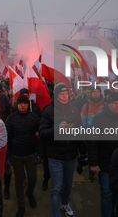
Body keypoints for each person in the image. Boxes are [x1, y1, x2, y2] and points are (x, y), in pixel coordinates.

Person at [39, 82, 87, 217]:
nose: (65, 96)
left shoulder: (74, 110)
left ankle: (65, 203)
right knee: (56, 188)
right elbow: (42, 133)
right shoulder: (48, 111)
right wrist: (57, 128)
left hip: (71, 155)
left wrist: (83, 153)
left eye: (66, 94)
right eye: (62, 94)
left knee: (68, 184)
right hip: (55, 157)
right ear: (56, 95)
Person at [88, 92, 118, 217]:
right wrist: (94, 163)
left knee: (117, 193)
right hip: (105, 163)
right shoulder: (99, 119)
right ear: (109, 104)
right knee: (107, 193)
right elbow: (93, 142)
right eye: (115, 103)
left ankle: (111, 213)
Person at [6, 95, 42, 217]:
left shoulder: (34, 117)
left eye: (25, 103)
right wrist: (7, 156)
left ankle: (30, 193)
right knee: (19, 181)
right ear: (17, 104)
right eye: (20, 103)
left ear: (28, 104)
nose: (22, 105)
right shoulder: (11, 118)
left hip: (31, 154)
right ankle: (21, 205)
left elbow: (38, 136)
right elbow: (8, 138)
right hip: (16, 155)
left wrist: (39, 153)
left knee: (33, 178)